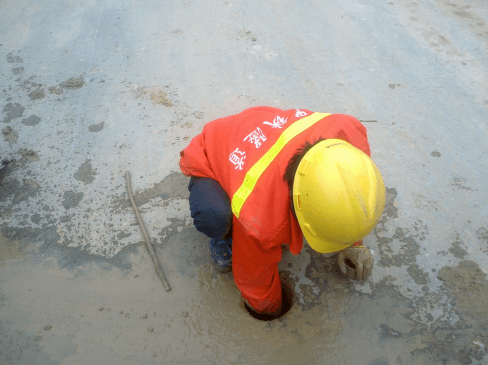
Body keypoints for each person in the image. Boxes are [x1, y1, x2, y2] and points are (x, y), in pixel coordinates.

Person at [179, 107, 385, 319]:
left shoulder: (350, 140)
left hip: (262, 132)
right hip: (215, 149)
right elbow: (254, 279)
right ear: (298, 202)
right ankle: (224, 239)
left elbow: (350, 196)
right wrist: (270, 309)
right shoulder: (259, 216)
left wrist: (353, 243)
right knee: (214, 216)